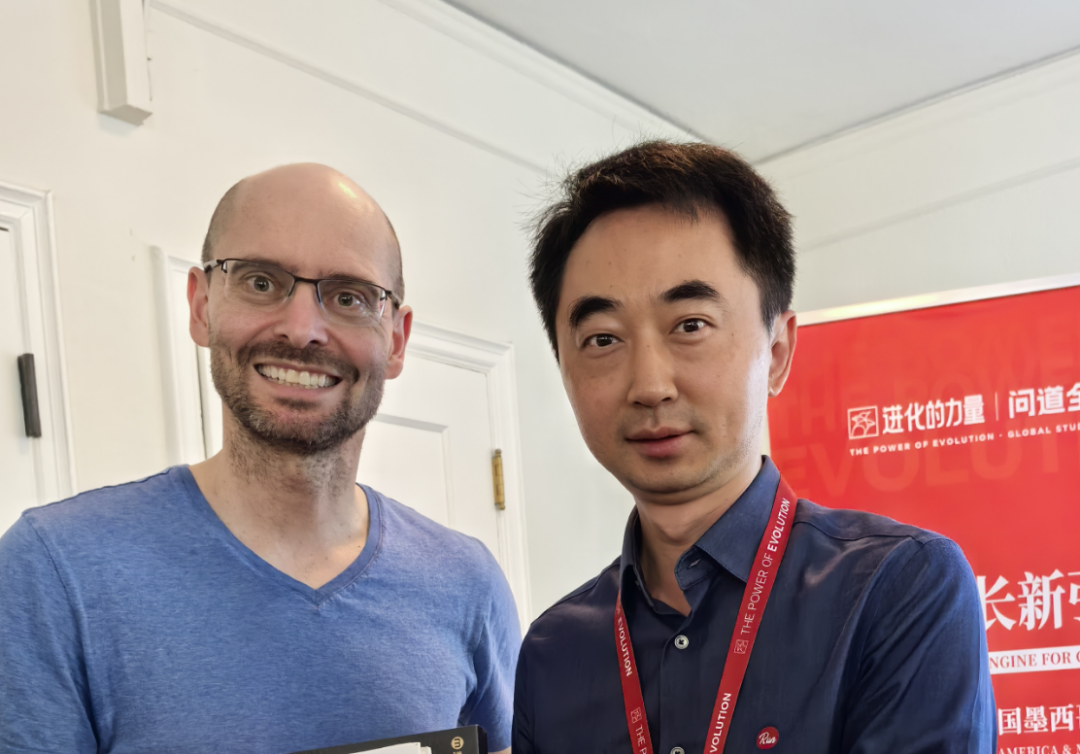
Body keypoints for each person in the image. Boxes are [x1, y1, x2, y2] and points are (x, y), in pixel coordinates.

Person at [0, 164, 518, 754]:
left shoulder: (468, 583)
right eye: (262, 282)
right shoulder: (54, 573)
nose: (302, 330)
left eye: (349, 297)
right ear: (201, 306)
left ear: (396, 340)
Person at [513, 141, 995, 753]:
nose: (650, 385)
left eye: (691, 325)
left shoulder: (897, 589)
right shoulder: (552, 652)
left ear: (777, 351)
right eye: (603, 339)